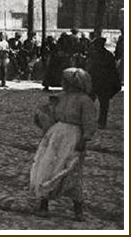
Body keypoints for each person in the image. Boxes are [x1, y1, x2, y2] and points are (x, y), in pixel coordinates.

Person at [29, 68, 97, 221]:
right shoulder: (61, 97)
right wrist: (43, 114)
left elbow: (89, 122)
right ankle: (43, 204)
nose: (62, 83)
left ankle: (78, 210)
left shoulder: (84, 101)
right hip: (55, 136)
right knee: (47, 167)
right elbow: (52, 114)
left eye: (64, 81)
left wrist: (84, 139)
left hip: (73, 137)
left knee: (71, 170)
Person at [85, 37, 121, 128]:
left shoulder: (94, 55)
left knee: (92, 103)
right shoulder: (108, 55)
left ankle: (92, 121)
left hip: (97, 82)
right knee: (102, 104)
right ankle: (101, 122)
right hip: (102, 82)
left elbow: (89, 68)